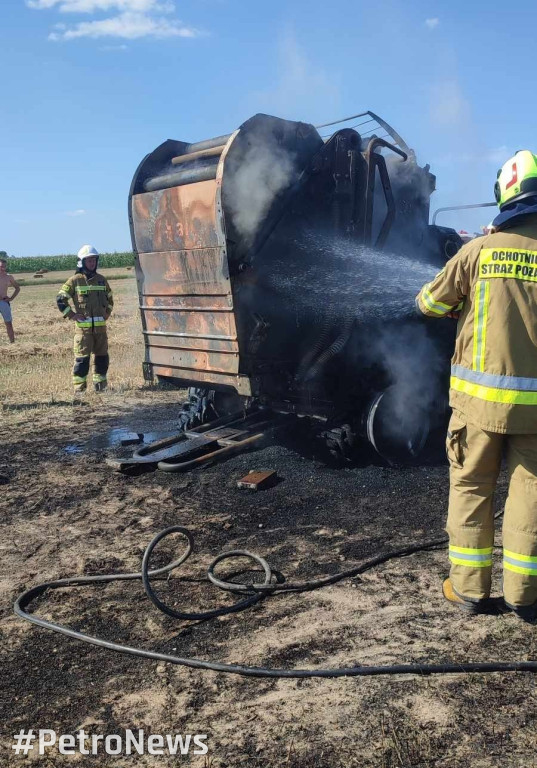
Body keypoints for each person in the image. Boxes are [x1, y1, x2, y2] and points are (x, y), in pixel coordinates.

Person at [416, 150, 537, 620]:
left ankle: (468, 591)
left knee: (471, 490)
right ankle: (526, 597)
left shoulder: (477, 253)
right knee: (530, 496)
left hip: (477, 408)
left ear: (503, 195)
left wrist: (461, 305)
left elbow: (428, 304)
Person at [56, 245, 114, 393]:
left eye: (94, 260)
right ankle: (80, 390)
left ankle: (101, 387)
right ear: (82, 262)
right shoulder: (75, 280)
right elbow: (61, 299)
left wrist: (107, 312)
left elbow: (110, 299)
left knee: (102, 360)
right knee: (82, 361)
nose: (92, 263)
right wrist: (73, 315)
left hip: (101, 331)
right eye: (89, 260)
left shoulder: (102, 280)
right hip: (83, 332)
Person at [0, 257, 20, 343]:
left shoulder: (9, 277)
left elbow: (17, 288)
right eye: (1, 266)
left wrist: (11, 298)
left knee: (8, 323)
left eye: (4, 266)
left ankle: (12, 343)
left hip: (4, 303)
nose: (3, 268)